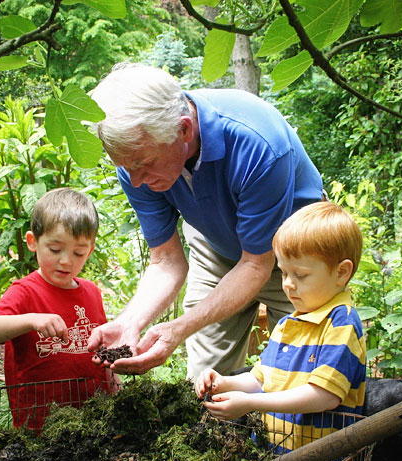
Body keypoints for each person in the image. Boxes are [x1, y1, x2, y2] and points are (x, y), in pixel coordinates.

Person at [87, 62, 325, 379]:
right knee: (207, 381)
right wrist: (130, 321)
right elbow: (166, 260)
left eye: (144, 165)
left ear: (184, 130)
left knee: (301, 379)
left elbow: (256, 264)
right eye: (127, 167)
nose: (136, 180)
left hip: (297, 253)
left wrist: (179, 328)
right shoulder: (138, 158)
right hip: (218, 246)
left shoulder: (257, 143)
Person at [194, 201, 366, 452]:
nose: (288, 284)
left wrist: (251, 403)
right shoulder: (287, 324)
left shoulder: (341, 322)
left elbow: (323, 396)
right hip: (272, 456)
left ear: (341, 273)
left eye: (301, 275)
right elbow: (260, 380)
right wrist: (224, 383)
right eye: (284, 273)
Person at [0, 187, 118, 431]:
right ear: (33, 242)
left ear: (90, 250)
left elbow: (102, 345)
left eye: (78, 252)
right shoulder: (24, 291)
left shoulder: (92, 292)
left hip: (93, 415)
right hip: (39, 421)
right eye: (55, 250)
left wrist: (115, 382)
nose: (66, 260)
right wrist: (31, 320)